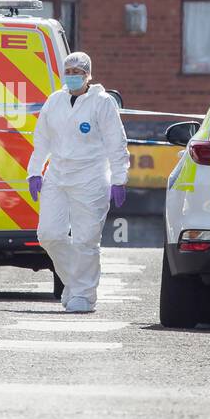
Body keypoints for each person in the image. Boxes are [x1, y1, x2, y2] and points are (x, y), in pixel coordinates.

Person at [26, 51, 129, 313]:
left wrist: (119, 178)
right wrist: (35, 171)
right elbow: (42, 140)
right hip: (57, 175)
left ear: (88, 75)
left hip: (91, 177)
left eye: (77, 72)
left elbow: (116, 142)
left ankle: (83, 295)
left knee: (86, 239)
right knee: (48, 234)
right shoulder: (55, 101)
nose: (72, 77)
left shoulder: (102, 102)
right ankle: (76, 284)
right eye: (68, 72)